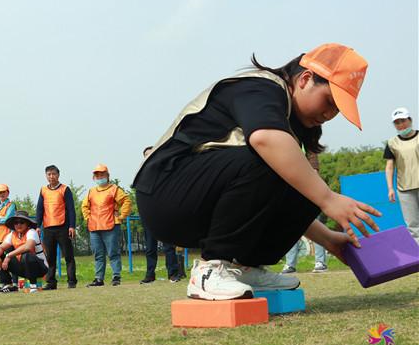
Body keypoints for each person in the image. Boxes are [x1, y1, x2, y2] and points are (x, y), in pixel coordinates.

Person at [133, 43, 380, 301]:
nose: (330, 114)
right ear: (305, 79)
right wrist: (330, 199)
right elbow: (264, 141)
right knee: (277, 161)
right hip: (165, 194)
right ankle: (210, 271)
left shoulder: (287, 120)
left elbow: (271, 195)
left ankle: (242, 268)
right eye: (329, 101)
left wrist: (329, 239)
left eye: (337, 110)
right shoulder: (260, 87)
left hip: (196, 199)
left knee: (303, 179)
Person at [82, 164, 132, 287]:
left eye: (102, 174)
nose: (100, 177)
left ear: (107, 176)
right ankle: (99, 278)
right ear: (94, 177)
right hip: (94, 227)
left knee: (113, 253)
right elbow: (84, 206)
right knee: (98, 254)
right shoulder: (91, 191)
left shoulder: (114, 189)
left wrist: (121, 216)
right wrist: (88, 218)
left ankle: (116, 276)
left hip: (111, 225)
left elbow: (127, 201)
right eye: (97, 175)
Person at [139, 146, 181, 284]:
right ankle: (150, 275)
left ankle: (173, 274)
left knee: (168, 246)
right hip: (149, 216)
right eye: (146, 155)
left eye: (151, 154)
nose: (148, 157)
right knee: (150, 248)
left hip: (164, 214)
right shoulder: (141, 176)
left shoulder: (166, 173)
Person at [36, 165, 78, 290]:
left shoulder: (65, 189)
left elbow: (71, 209)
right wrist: (38, 226)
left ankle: (71, 281)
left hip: (63, 227)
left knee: (68, 255)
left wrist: (72, 226)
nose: (51, 176)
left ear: (58, 175)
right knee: (50, 257)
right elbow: (39, 209)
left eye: (54, 174)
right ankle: (51, 282)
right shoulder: (43, 190)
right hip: (48, 227)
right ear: (46, 176)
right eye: (49, 174)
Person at [384, 107, 419, 244]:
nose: (400, 125)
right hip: (405, 189)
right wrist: (390, 188)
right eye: (397, 122)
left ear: (410, 120)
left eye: (403, 121)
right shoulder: (392, 143)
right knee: (413, 226)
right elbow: (389, 166)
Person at [0, 211, 48, 293]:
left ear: (27, 224)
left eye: (22, 222)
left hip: (40, 267)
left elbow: (28, 247)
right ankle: (8, 285)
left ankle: (33, 286)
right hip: (24, 268)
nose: (18, 225)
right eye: (16, 223)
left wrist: (9, 255)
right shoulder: (12, 234)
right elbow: (0, 247)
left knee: (26, 255)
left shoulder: (31, 232)